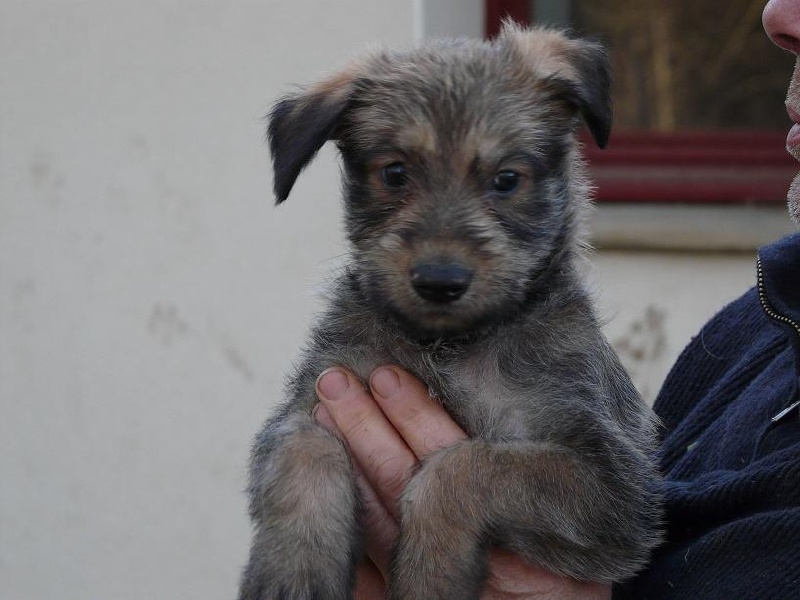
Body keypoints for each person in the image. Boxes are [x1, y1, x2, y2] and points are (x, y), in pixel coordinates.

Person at [311, 1, 800, 597]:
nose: (779, 14)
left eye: (505, 181)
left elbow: (618, 519)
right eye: (395, 176)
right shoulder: (760, 321)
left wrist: (465, 497)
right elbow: (641, 531)